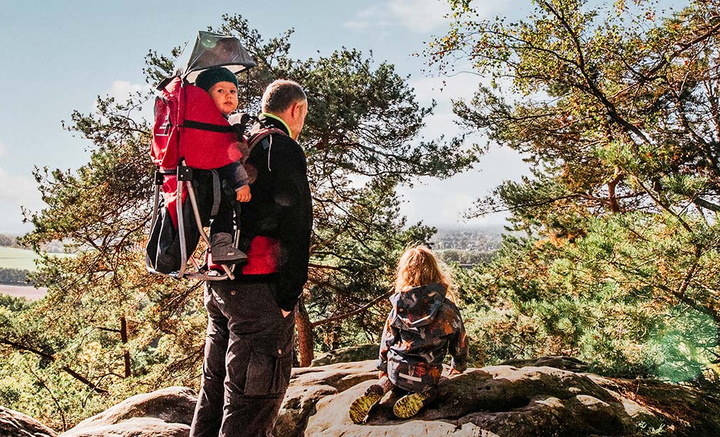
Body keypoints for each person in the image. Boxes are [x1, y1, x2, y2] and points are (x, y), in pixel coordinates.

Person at [190, 79, 312, 437]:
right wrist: (289, 297)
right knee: (252, 407)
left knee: (215, 392)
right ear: (296, 110)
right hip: (260, 291)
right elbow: (297, 224)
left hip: (220, 283)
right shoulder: (282, 147)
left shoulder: (236, 134)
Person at [349, 245, 469, 423]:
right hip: (427, 375)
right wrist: (458, 365)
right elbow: (460, 341)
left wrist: (383, 368)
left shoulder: (399, 305)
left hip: (397, 369)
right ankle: (424, 396)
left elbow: (387, 340)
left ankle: (380, 388)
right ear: (435, 271)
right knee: (443, 382)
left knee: (391, 377)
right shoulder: (446, 308)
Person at [194, 67, 251, 265]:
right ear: (205, 96)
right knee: (228, 199)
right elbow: (227, 159)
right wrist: (241, 183)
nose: (228, 95)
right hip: (210, 188)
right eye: (220, 90)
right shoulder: (216, 126)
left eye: (233, 91)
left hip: (199, 186)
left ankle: (216, 250)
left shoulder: (204, 122)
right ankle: (221, 247)